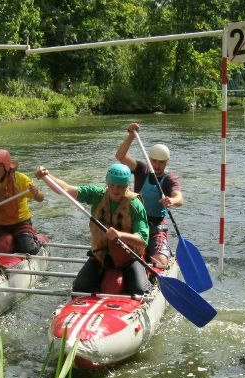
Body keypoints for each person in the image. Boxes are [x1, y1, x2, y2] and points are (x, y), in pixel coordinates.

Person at [35, 163, 150, 295]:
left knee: (139, 291)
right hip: (100, 256)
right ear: (107, 183)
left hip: (128, 258)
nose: (115, 189)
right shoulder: (97, 194)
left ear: (127, 185)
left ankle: (148, 282)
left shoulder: (135, 205)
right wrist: (46, 176)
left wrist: (120, 235)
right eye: (112, 185)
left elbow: (143, 240)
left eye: (120, 186)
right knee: (79, 287)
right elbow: (66, 189)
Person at [115, 122, 183, 266]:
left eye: (161, 162)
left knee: (160, 262)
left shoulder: (170, 178)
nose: (157, 166)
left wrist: (172, 200)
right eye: (154, 161)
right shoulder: (142, 169)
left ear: (167, 162)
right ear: (149, 159)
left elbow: (179, 198)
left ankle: (160, 257)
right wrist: (131, 136)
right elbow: (120, 156)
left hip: (155, 226)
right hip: (134, 222)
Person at [0, 150, 44, 254]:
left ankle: (37, 241)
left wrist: (36, 192)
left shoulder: (20, 179)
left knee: (29, 250)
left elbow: (40, 198)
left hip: (20, 223)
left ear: (6, 166)